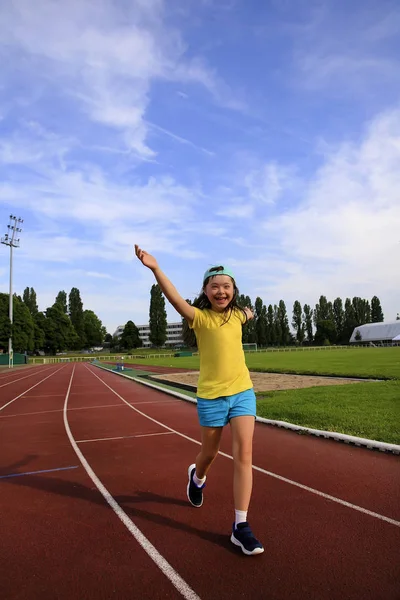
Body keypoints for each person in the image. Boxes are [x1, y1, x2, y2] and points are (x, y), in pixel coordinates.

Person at [135, 245, 264, 556]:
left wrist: (250, 312)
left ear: (234, 290)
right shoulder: (199, 318)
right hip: (211, 397)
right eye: (215, 286)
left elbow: (249, 313)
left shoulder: (237, 316)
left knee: (244, 454)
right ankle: (198, 475)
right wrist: (155, 268)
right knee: (210, 452)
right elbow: (176, 299)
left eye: (227, 286)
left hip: (242, 392)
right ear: (206, 291)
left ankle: (240, 526)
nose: (221, 291)